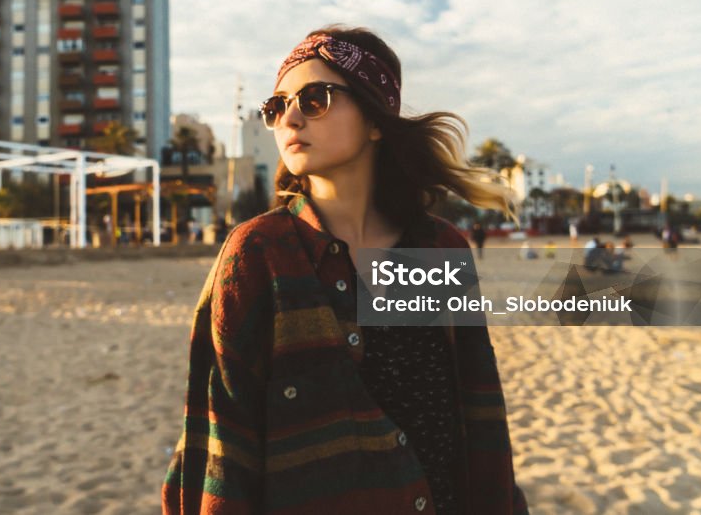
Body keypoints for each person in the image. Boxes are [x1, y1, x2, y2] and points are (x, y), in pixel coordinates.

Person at [162, 26, 530, 515]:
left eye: (315, 98)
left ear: (376, 121)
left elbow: (478, 417)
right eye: (276, 107)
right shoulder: (259, 255)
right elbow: (223, 449)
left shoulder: (436, 249)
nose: (289, 117)